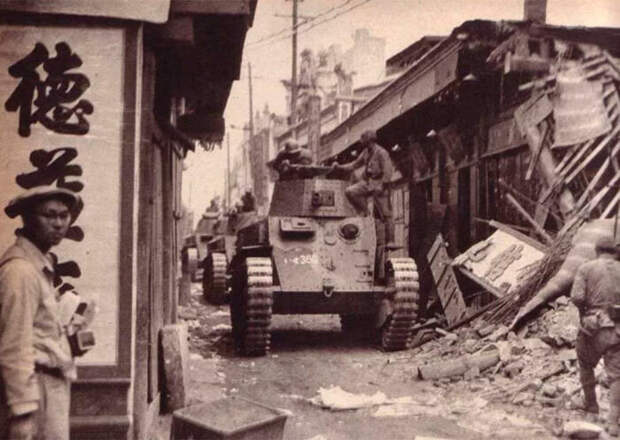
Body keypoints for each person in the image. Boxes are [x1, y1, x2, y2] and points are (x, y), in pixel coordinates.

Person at [0, 186, 82, 440]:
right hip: (35, 392)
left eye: (64, 215)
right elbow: (14, 343)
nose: (58, 224)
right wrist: (22, 413)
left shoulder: (38, 265)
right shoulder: (20, 271)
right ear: (27, 218)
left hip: (50, 386)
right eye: (49, 215)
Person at [570, 235, 620, 436]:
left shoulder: (586, 268)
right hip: (617, 328)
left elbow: (577, 297)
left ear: (596, 250)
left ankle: (592, 409)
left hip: (593, 327)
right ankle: (614, 422)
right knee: (617, 375)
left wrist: (586, 309)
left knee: (586, 365)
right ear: (614, 252)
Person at [334, 129, 398, 249]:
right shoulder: (366, 152)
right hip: (368, 182)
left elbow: (388, 169)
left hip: (380, 183)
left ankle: (391, 240)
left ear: (369, 140)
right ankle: (365, 212)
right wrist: (339, 167)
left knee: (386, 214)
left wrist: (383, 185)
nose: (361, 141)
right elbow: (354, 165)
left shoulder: (381, 152)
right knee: (350, 191)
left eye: (363, 138)